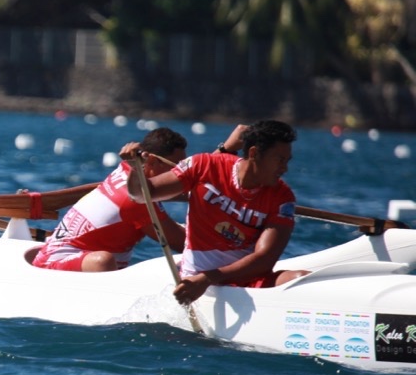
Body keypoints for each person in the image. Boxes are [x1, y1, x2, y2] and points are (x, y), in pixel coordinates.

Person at [121, 119, 307, 305]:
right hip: (194, 278)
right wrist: (135, 168)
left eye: (287, 161)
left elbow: (265, 259)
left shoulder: (283, 197)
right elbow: (143, 195)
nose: (284, 169)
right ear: (254, 153)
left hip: (241, 280)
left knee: (302, 279)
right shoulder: (203, 165)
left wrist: (209, 278)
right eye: (279, 160)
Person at [32, 127, 188, 272]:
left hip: (59, 255)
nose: (181, 173)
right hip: (53, 265)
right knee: (103, 261)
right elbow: (184, 244)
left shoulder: (125, 171)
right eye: (177, 166)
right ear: (152, 161)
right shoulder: (138, 202)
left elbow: (173, 192)